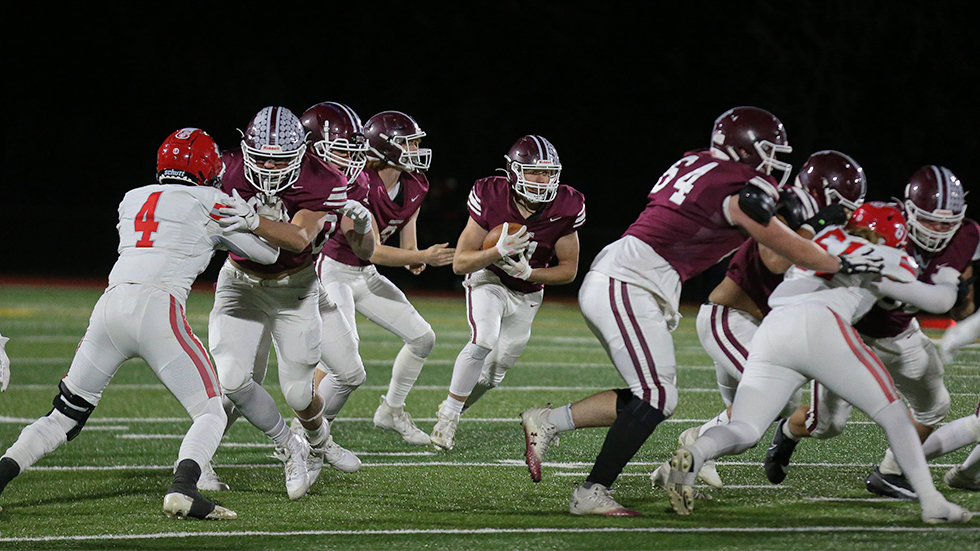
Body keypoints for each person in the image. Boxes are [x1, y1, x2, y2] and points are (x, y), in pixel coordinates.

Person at [520, 106, 875, 517]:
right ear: (746, 148)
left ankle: (550, 420)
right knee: (657, 395)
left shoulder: (702, 162)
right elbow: (782, 249)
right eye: (770, 152)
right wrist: (840, 261)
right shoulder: (738, 185)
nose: (775, 163)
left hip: (631, 275)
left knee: (652, 394)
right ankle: (590, 491)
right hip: (630, 279)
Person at [0, 128, 279, 520]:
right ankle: (184, 488)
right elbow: (266, 255)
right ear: (208, 169)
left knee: (64, 415)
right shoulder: (211, 201)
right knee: (211, 412)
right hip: (157, 308)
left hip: (110, 306)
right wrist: (261, 219)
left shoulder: (132, 198)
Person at [665, 203, 972, 523]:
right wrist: (951, 283)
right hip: (823, 324)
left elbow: (789, 255)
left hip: (774, 328)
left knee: (745, 428)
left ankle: (696, 453)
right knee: (894, 414)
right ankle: (932, 502)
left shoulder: (824, 238)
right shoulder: (889, 256)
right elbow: (938, 301)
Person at [651, 150, 868, 491]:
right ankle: (691, 451)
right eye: (844, 205)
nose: (848, 215)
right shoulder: (785, 205)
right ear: (823, 194)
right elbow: (775, 259)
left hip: (759, 328)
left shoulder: (823, 222)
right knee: (773, 400)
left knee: (753, 413)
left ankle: (691, 451)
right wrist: (816, 225)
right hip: (730, 320)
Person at [763, 165, 979, 498]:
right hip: (851, 334)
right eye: (930, 221)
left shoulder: (966, 234)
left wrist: (960, 297)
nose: (939, 230)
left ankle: (889, 472)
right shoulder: (880, 223)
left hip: (901, 332)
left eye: (948, 223)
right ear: (909, 210)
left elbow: (958, 307)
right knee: (826, 426)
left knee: (935, 406)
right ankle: (788, 432)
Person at [207, 106, 362, 501]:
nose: (270, 167)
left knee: (298, 393)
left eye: (280, 158)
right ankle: (289, 445)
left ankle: (319, 440)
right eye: (261, 158)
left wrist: (253, 221)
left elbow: (298, 239)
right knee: (232, 379)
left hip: (295, 289)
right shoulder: (225, 168)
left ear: (302, 152)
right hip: (240, 285)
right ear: (246, 150)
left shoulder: (322, 179)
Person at [307, 109, 454, 445]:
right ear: (387, 147)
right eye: (410, 143)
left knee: (423, 338)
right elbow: (371, 250)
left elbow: (406, 242)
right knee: (340, 356)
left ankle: (391, 409)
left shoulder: (416, 183)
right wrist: (421, 257)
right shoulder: (361, 181)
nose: (417, 149)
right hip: (334, 271)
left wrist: (414, 257)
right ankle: (306, 430)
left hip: (365, 275)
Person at [429, 134, 584, 451]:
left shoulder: (568, 204)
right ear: (513, 172)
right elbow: (460, 262)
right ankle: (448, 419)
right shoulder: (490, 194)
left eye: (548, 172)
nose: (542, 180)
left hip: (528, 292)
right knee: (483, 339)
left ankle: (454, 406)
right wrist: (496, 252)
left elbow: (569, 270)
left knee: (493, 375)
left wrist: (529, 273)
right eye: (534, 172)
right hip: (489, 278)